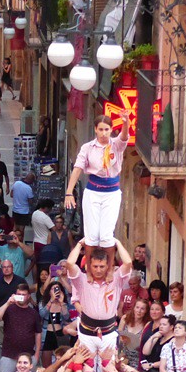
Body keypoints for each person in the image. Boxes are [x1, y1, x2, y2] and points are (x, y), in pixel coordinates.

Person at [64, 113, 130, 267]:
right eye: (100, 129)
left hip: (112, 192)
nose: (104, 133)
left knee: (106, 235)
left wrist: (126, 123)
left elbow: (124, 137)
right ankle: (89, 267)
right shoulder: (87, 148)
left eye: (107, 129)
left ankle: (109, 268)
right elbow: (78, 168)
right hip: (93, 191)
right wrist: (69, 192)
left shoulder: (116, 145)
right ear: (95, 130)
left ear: (111, 130)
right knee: (91, 235)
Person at [65, 239, 133, 358]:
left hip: (108, 332)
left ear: (108, 266)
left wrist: (118, 243)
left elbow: (128, 263)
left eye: (102, 266)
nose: (98, 270)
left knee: (108, 370)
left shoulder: (116, 279)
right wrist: (79, 244)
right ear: (89, 266)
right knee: (86, 370)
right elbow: (70, 264)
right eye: (95, 266)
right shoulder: (81, 280)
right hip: (87, 332)